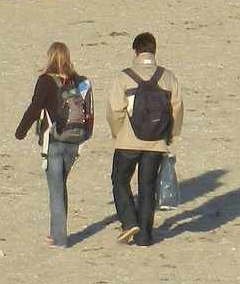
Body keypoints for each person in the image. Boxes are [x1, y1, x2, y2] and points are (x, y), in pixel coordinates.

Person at [107, 32, 183, 247]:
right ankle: (145, 236)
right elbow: (177, 109)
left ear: (135, 52)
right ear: (154, 51)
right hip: (157, 141)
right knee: (147, 187)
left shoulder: (124, 77)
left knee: (120, 180)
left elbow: (114, 109)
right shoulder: (168, 77)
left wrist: (118, 131)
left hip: (127, 141)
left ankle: (129, 222)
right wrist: (170, 136)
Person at [14, 42, 93, 248]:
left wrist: (20, 132)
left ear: (49, 57)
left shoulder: (45, 81)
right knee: (60, 186)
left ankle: (59, 238)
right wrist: (86, 135)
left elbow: (34, 109)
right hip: (74, 141)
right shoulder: (79, 82)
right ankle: (54, 231)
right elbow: (88, 111)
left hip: (53, 141)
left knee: (56, 189)